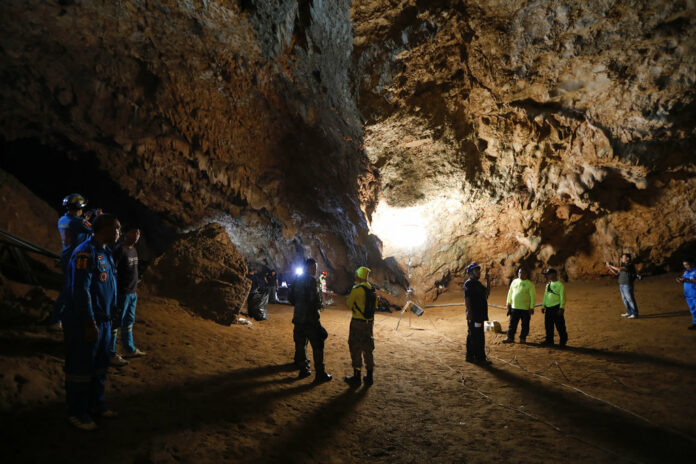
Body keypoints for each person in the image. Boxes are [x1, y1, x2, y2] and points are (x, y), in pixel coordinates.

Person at [63, 214, 120, 430]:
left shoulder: (105, 252)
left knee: (99, 368)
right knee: (80, 368)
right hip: (85, 321)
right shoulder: (85, 253)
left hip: (103, 321)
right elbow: (81, 290)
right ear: (104, 228)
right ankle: (77, 413)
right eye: (116, 228)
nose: (118, 233)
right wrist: (88, 322)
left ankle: (96, 405)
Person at [51, 194, 94, 330]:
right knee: (71, 290)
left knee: (71, 288)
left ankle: (63, 318)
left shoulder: (62, 220)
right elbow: (94, 229)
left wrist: (84, 218)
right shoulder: (79, 222)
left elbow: (78, 225)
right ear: (79, 208)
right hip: (76, 259)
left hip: (66, 256)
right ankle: (56, 319)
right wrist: (95, 216)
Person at [288, 258, 332, 383]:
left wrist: (299, 305)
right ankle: (320, 373)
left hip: (298, 318)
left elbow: (290, 297)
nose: (315, 270)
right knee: (318, 345)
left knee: (301, 345)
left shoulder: (297, 279)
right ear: (308, 267)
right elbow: (315, 301)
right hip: (310, 319)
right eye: (314, 268)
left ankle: (303, 370)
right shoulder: (311, 281)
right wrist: (321, 306)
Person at [109, 226, 145, 367]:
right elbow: (113, 270)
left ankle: (129, 348)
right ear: (126, 233)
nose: (136, 235)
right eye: (134, 232)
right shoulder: (120, 249)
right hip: (122, 292)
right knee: (116, 323)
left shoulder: (133, 250)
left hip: (132, 293)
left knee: (128, 321)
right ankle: (110, 353)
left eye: (138, 233)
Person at [344, 266, 376, 386]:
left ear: (359, 276)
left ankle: (356, 377)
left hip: (357, 323)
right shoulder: (372, 289)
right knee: (368, 349)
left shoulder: (356, 289)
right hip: (369, 324)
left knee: (355, 347)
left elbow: (348, 304)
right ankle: (369, 376)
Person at [463, 262, 491, 365]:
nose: (478, 272)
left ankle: (476, 357)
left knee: (479, 335)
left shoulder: (478, 284)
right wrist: (469, 313)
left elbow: (487, 293)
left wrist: (488, 280)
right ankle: (475, 357)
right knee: (474, 335)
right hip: (474, 315)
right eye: (476, 270)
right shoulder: (468, 284)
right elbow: (467, 299)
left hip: (480, 315)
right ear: (471, 272)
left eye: (479, 270)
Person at [503, 267, 536, 344]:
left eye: (523, 273)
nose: (521, 274)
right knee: (512, 324)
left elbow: (533, 296)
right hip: (514, 307)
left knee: (525, 325)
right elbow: (510, 292)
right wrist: (508, 302)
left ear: (526, 274)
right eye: (519, 273)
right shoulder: (514, 282)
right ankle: (510, 337)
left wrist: (531, 307)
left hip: (525, 309)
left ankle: (522, 338)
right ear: (518, 273)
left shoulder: (529, 284)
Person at [605, 253, 639, 319]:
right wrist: (609, 267)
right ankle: (629, 312)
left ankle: (635, 313)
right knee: (625, 299)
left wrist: (611, 265)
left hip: (627, 285)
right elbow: (616, 273)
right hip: (622, 284)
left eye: (623, 257)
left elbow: (619, 269)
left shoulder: (629, 265)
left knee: (630, 299)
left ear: (628, 258)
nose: (621, 259)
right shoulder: (623, 265)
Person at [540, 268, 568, 347]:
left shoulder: (560, 285)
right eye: (547, 275)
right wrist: (543, 306)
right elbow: (546, 296)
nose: (547, 276)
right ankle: (549, 340)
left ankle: (563, 341)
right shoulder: (548, 285)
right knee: (548, 326)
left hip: (556, 308)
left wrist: (561, 308)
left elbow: (563, 297)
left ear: (554, 274)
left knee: (560, 326)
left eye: (548, 274)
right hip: (548, 308)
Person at [676, 259, 696, 330]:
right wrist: (679, 280)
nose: (686, 266)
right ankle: (695, 323)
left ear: (692, 263)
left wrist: (686, 280)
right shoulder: (686, 272)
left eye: (687, 264)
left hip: (695, 294)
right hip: (688, 295)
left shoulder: (695, 271)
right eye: (684, 265)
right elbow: (683, 280)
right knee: (692, 310)